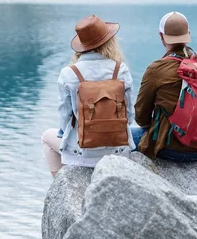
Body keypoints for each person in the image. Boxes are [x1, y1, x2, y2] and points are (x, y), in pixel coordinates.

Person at [41, 15, 134, 177]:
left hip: (81, 153)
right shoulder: (121, 70)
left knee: (46, 137)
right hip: (118, 151)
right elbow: (130, 116)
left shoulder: (68, 73)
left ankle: (64, 186)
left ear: (81, 46)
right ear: (109, 42)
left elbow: (64, 119)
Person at [131, 12, 197, 163]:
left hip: (168, 148)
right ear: (188, 34)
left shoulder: (156, 69)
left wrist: (157, 127)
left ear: (161, 36)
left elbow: (141, 117)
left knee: (118, 137)